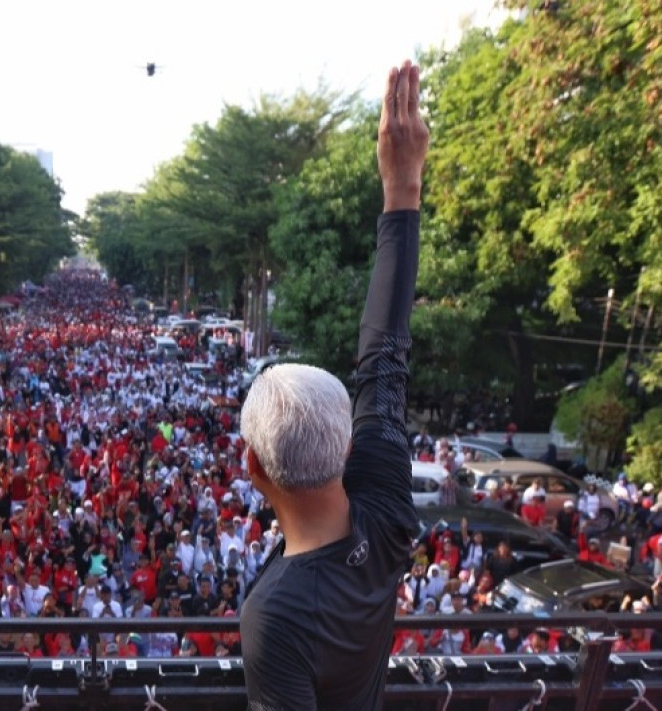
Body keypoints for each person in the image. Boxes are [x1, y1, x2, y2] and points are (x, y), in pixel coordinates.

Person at [239, 60, 425, 711]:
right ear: (347, 447)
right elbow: (383, 359)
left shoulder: (277, 613)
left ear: (252, 465)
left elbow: (384, 360)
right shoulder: (384, 509)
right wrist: (401, 192)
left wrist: (403, 192)